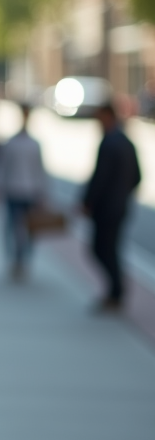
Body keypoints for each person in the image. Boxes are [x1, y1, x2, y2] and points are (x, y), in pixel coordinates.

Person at [82, 102, 142, 312]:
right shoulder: (125, 142)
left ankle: (116, 291)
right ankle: (115, 291)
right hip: (120, 206)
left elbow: (100, 179)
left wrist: (88, 202)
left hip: (107, 208)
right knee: (111, 249)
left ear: (107, 116)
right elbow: (137, 177)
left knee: (102, 249)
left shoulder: (109, 143)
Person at [0, 104, 46, 281]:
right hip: (13, 190)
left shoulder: (34, 144)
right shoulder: (11, 143)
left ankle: (24, 260)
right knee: (11, 227)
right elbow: (1, 167)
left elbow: (40, 170)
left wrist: (42, 192)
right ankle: (14, 259)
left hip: (30, 192)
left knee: (29, 229)